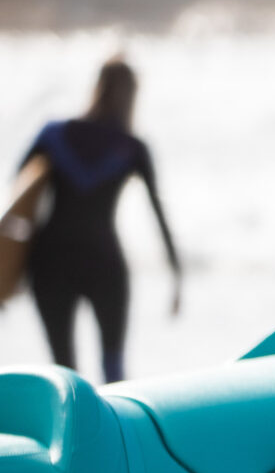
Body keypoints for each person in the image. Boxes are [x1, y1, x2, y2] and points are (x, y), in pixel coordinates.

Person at [16, 57, 181, 383]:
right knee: (114, 372)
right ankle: (116, 435)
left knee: (64, 375)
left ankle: (72, 434)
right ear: (132, 95)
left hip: (50, 262)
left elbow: (15, 202)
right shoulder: (132, 148)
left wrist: (5, 271)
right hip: (103, 263)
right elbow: (158, 213)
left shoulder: (53, 135)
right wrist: (177, 275)